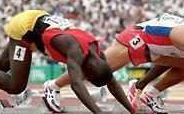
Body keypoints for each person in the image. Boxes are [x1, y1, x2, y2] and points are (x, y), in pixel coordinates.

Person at [0, 10, 135, 114]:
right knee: (16, 85)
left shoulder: (98, 54)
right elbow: (76, 85)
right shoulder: (76, 52)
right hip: (25, 30)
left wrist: (133, 111)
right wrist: (98, 112)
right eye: (88, 77)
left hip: (38, 19)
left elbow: (111, 81)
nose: (85, 78)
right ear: (90, 69)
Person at [45, 12, 184, 114]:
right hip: (138, 39)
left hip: (156, 46)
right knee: (95, 70)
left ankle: (152, 93)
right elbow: (172, 33)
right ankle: (53, 86)